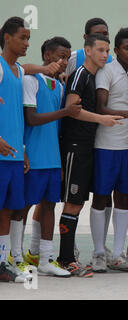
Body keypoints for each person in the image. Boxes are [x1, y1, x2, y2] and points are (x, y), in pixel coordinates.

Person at [8, 37, 79, 278]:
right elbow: (32, 118)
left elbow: (57, 128)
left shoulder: (59, 86)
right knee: (21, 208)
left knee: (49, 207)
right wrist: (66, 111)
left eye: (68, 57)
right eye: (60, 56)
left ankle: (45, 259)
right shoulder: (31, 80)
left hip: (52, 159)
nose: (64, 61)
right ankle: (15, 257)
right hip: (34, 158)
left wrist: (58, 160)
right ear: (47, 55)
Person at [57, 33, 122, 277]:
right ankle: (65, 259)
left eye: (107, 50)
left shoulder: (94, 76)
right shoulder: (81, 75)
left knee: (77, 203)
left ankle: (67, 258)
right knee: (72, 203)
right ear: (88, 50)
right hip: (74, 146)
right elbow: (72, 109)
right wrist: (101, 119)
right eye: (101, 50)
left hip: (85, 147)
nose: (105, 54)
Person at [90, 27, 128, 273]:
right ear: (116, 50)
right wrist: (127, 114)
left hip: (127, 144)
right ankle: (99, 253)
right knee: (101, 196)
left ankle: (119, 253)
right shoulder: (107, 71)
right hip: (106, 145)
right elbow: (100, 108)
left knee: (123, 197)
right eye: (127, 48)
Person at [0, 16, 30, 283]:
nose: (26, 43)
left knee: (9, 210)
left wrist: (23, 149)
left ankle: (1, 263)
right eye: (22, 37)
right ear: (7, 37)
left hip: (14, 154)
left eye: (28, 38)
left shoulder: (19, 71)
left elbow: (16, 115)